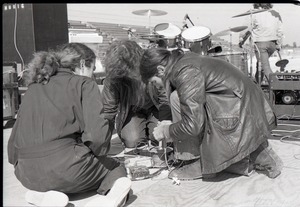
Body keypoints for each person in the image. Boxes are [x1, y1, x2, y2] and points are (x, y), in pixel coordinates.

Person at [7, 43, 131, 207]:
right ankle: (109, 199)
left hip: (25, 174)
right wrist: (97, 156)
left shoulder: (33, 87)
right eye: (92, 69)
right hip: (68, 171)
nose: (92, 75)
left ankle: (44, 196)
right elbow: (97, 138)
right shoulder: (84, 84)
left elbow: (12, 148)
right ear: (81, 64)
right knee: (116, 169)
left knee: (55, 171)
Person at [139, 47, 283, 181]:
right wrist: (172, 126)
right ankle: (245, 159)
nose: (156, 86)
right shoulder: (183, 62)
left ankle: (195, 161)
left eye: (154, 82)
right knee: (178, 98)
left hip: (240, 111)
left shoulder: (186, 71)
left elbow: (193, 125)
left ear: (160, 69)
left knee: (175, 97)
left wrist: (166, 131)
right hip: (240, 106)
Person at [101, 39, 172, 149]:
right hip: (132, 111)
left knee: (160, 137)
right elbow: (108, 111)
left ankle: (150, 134)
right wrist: (102, 143)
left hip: (156, 108)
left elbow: (165, 98)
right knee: (132, 141)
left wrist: (164, 123)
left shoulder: (152, 64)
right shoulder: (114, 77)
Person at [239, 3, 284, 83]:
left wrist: (241, 41)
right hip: (272, 44)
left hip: (260, 44)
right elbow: (280, 31)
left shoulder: (253, 13)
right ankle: (257, 84)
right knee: (260, 65)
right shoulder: (275, 13)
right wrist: (279, 44)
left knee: (265, 66)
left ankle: (277, 86)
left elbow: (246, 29)